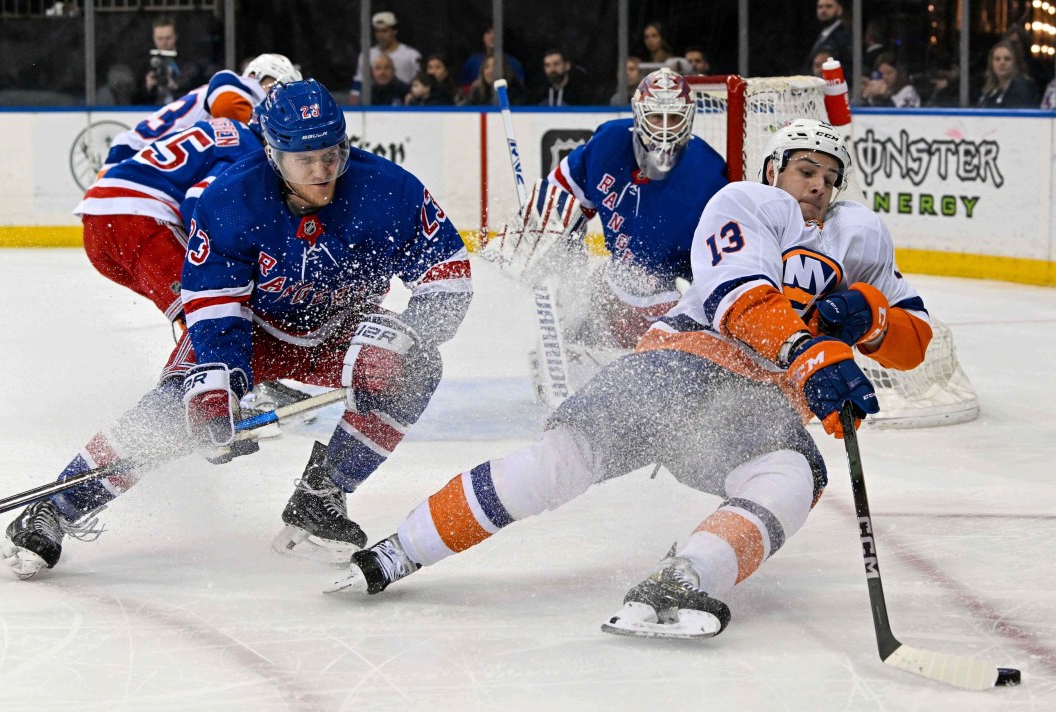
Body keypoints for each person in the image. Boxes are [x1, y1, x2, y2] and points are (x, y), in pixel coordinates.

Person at [329, 119, 935, 646]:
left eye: (831, 177)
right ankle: (401, 549)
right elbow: (738, 301)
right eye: (806, 169)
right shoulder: (745, 204)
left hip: (754, 407)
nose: (819, 185)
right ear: (774, 168)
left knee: (793, 477)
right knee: (560, 463)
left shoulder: (859, 237)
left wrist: (872, 318)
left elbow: (917, 339)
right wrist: (811, 353)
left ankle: (685, 578)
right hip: (679, 367)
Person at [1, 79, 473, 581]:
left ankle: (322, 494)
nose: (321, 172)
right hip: (251, 328)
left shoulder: (392, 190)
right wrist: (221, 379)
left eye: (331, 156)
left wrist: (412, 337)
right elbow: (213, 303)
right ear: (272, 154)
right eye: (303, 159)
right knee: (175, 409)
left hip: (338, 327)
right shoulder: (230, 199)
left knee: (419, 370)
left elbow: (447, 274)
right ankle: (56, 507)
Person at [486, 68, 728, 397]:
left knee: (664, 384)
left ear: (689, 118)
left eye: (674, 119)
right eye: (657, 117)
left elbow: (717, 267)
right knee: (584, 300)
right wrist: (539, 242)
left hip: (672, 297)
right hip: (615, 280)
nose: (665, 130)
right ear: (638, 114)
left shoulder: (710, 173)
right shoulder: (608, 144)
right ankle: (567, 352)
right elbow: (560, 199)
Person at [73, 116, 264, 324]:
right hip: (139, 220)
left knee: (203, 310)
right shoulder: (251, 153)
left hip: (97, 223)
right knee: (209, 309)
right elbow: (196, 199)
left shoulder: (225, 125)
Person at [104, 53, 302, 169]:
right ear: (255, 74)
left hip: (130, 160)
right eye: (279, 85)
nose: (279, 98)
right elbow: (229, 109)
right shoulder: (243, 87)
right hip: (132, 162)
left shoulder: (232, 92)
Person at [348, 11, 422, 106]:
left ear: (394, 31)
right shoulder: (367, 55)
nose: (380, 35)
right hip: (375, 100)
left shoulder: (411, 55)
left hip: (404, 100)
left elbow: (418, 80)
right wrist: (353, 104)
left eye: (384, 31)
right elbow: (359, 79)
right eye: (377, 31)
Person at [136, 15, 204, 106]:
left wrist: (176, 86)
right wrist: (148, 87)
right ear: (153, 38)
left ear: (175, 37)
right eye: (160, 39)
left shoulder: (188, 62)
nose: (164, 42)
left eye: (168, 38)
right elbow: (136, 98)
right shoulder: (146, 64)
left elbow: (196, 89)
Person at [458, 24, 526, 95]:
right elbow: (462, 88)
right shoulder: (472, 61)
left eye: (496, 33)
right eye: (488, 33)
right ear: (483, 37)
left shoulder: (513, 62)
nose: (492, 36)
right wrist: (475, 87)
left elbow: (520, 89)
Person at [978, 39, 1039, 108]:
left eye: (1007, 59)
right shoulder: (989, 90)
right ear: (991, 63)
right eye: (997, 59)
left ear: (1015, 63)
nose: (1002, 63)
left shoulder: (1022, 89)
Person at [803, 0, 852, 87]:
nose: (823, 10)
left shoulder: (843, 36)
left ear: (839, 9)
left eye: (828, 6)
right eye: (820, 7)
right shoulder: (823, 34)